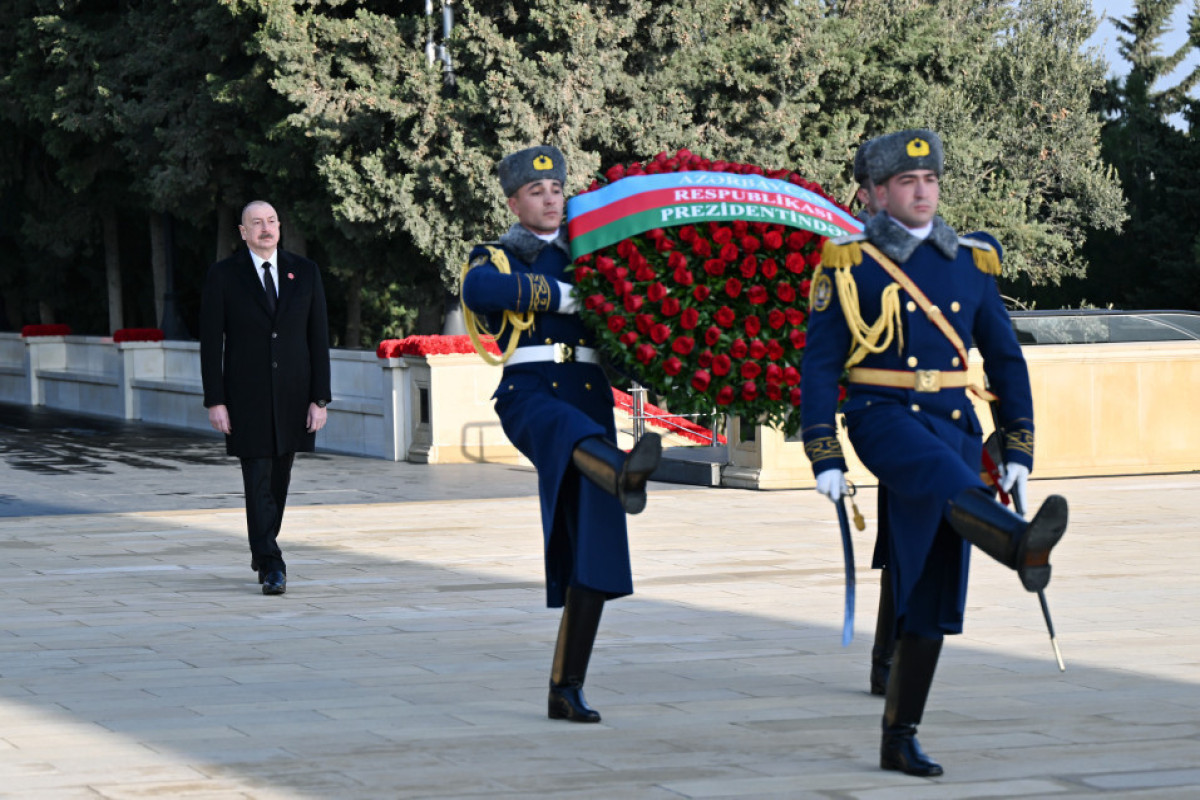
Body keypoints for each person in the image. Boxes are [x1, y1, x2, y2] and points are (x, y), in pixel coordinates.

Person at [800, 129, 1068, 776]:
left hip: (953, 419)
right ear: (878, 193)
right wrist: (824, 453)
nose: (923, 191)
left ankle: (900, 735)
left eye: (931, 181)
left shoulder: (969, 262)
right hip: (881, 416)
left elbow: (1004, 358)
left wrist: (1019, 447)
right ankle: (1016, 544)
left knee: (932, 586)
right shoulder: (849, 262)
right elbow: (818, 366)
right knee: (947, 479)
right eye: (907, 183)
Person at [460, 145, 662, 723]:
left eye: (556, 191)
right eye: (536, 192)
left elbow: (622, 339)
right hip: (533, 397)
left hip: (592, 399)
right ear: (514, 201)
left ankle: (565, 688)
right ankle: (624, 470)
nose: (550, 199)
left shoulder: (592, 257)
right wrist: (572, 298)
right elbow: (484, 295)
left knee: (593, 549)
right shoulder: (498, 257)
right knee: (567, 429)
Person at [200, 200, 331, 596]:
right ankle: (272, 563)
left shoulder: (305, 273)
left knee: (279, 480)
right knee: (257, 476)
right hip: (246, 397)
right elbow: (210, 343)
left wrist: (319, 399)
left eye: (271, 221)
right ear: (243, 232)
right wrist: (215, 400)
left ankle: (263, 549)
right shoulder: (224, 276)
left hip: (294, 396)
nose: (265, 228)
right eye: (256, 223)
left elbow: (318, 338)